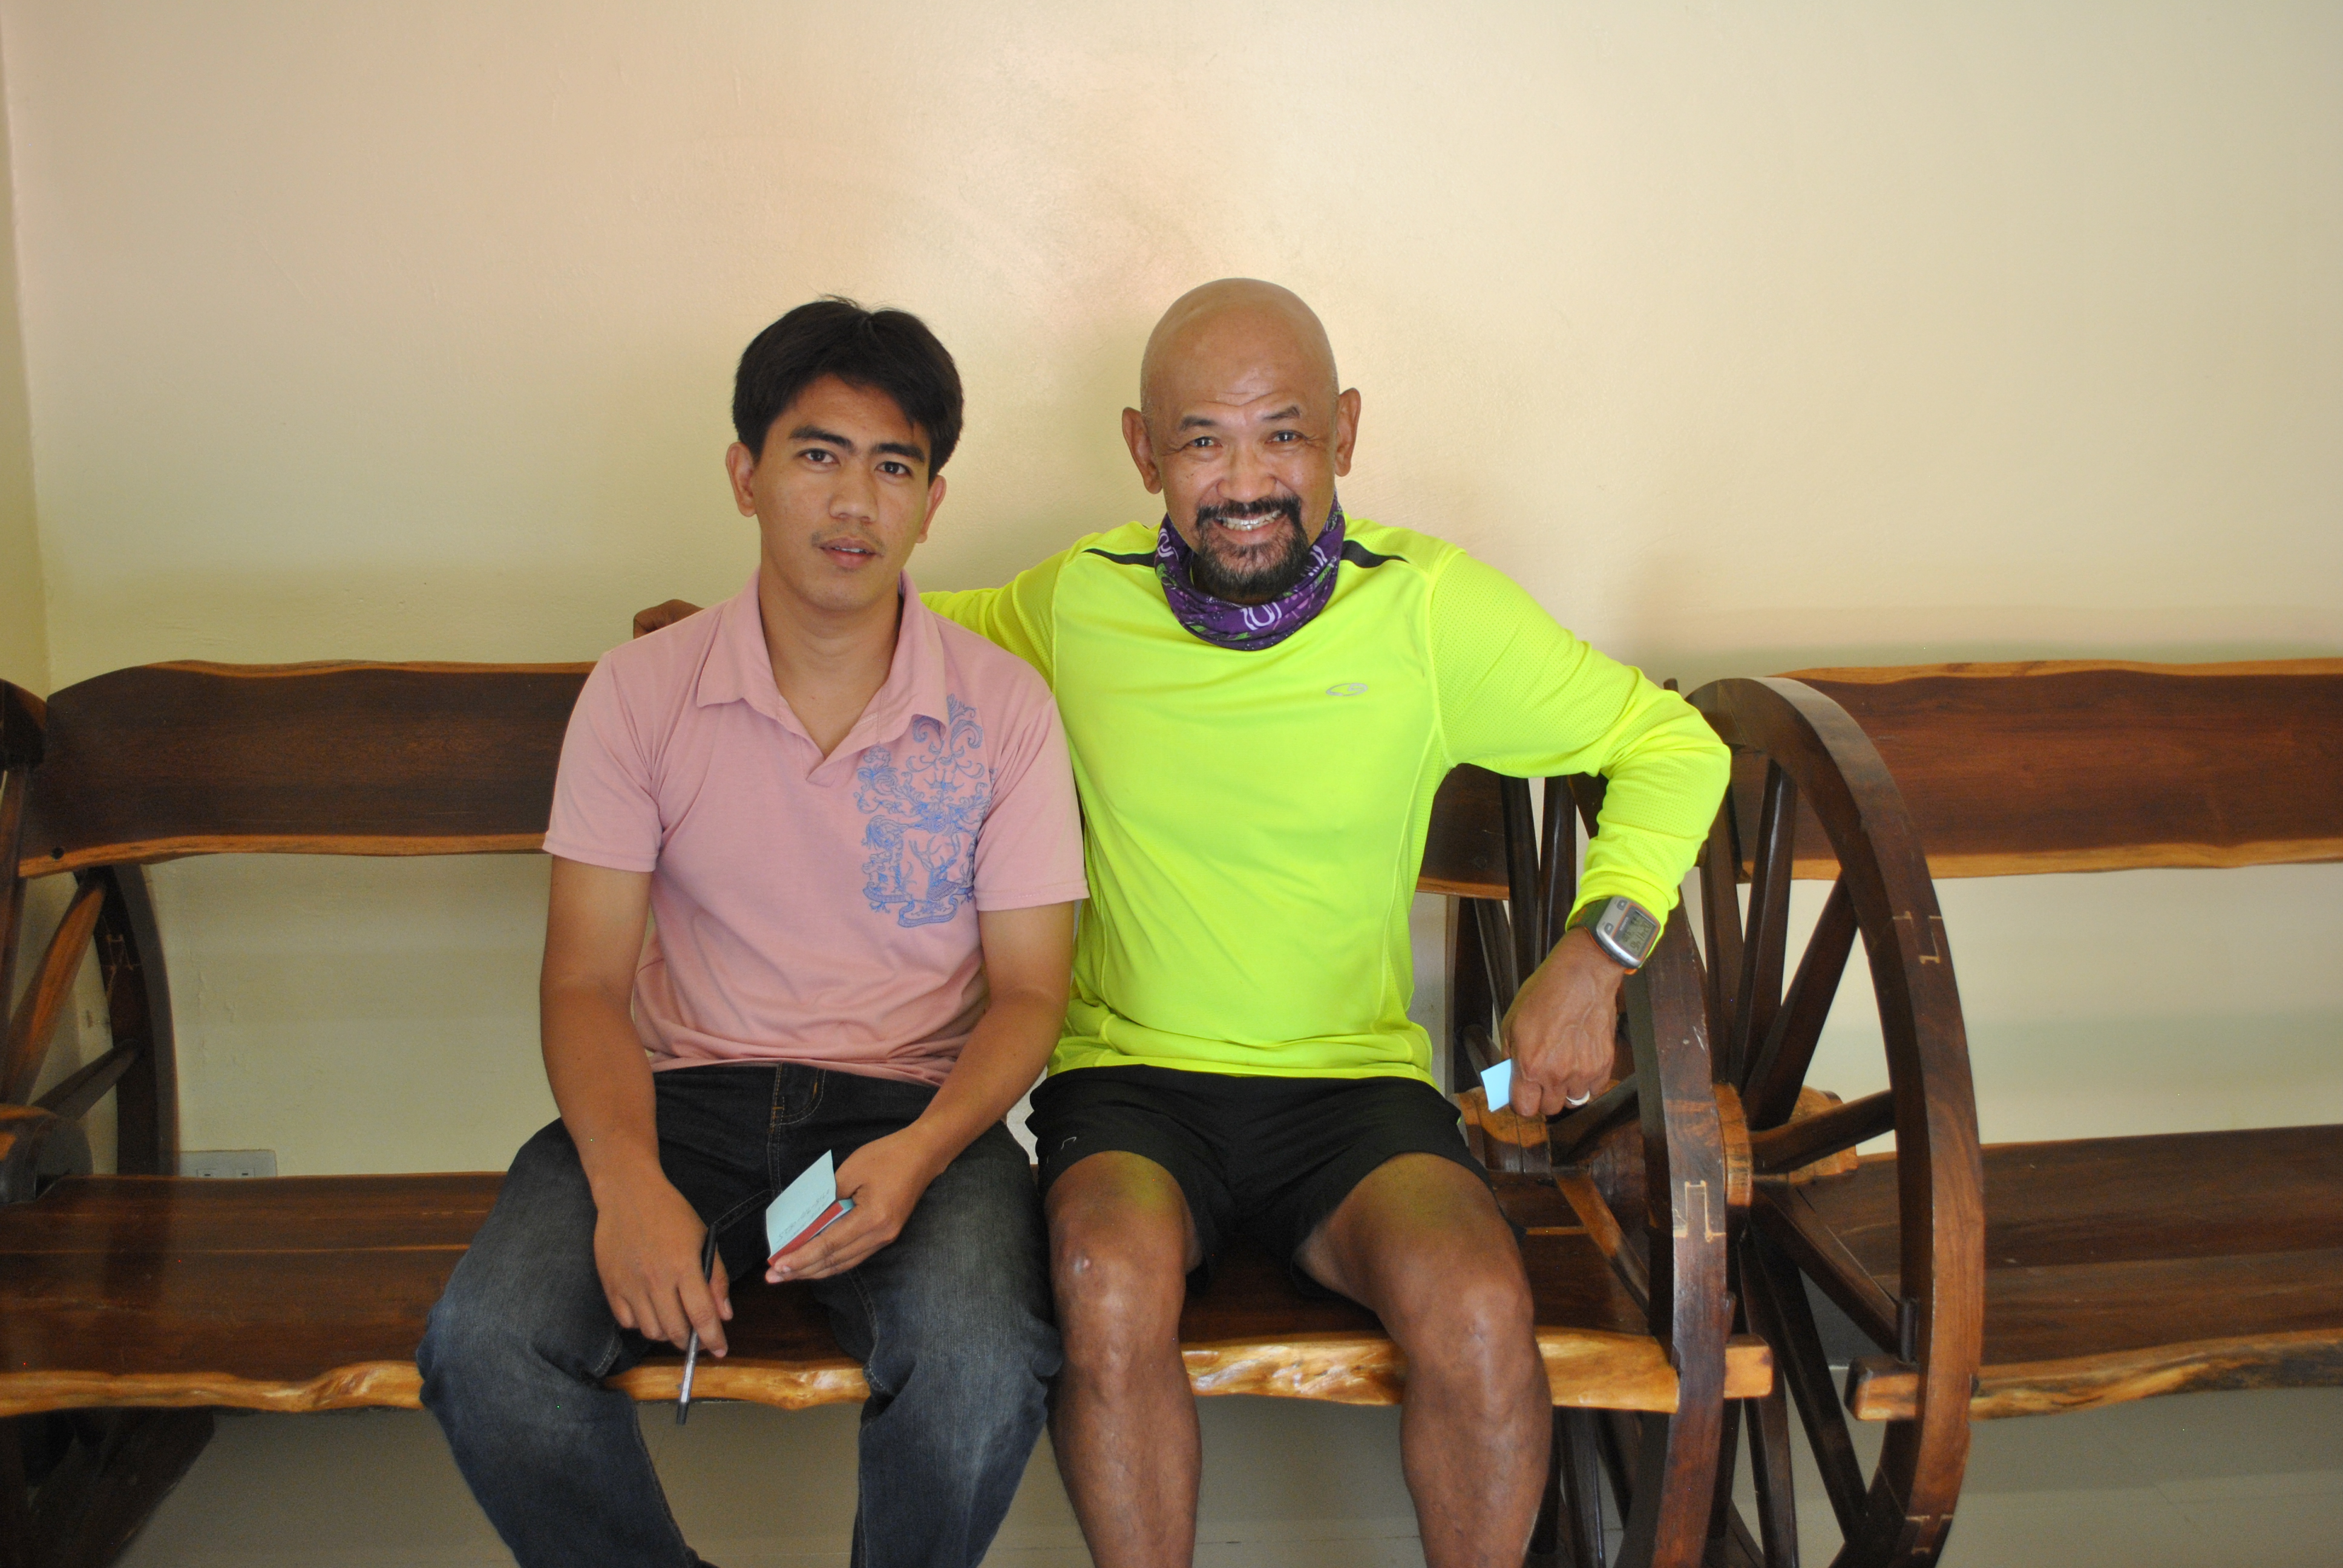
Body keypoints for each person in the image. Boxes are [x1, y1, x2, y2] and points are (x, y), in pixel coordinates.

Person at [638, 279, 1731, 1568]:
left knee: (1484, 1310)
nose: (1245, 480)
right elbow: (889, 633)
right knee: (1103, 1290)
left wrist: (1596, 958)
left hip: (1354, 1094)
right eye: (1204, 441)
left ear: (1346, 432)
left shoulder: (1433, 610)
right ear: (1142, 451)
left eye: (1284, 434)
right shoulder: (1073, 604)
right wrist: (708, 642)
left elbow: (1673, 744)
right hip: (1132, 1088)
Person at [418, 298, 1087, 1568]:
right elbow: (583, 981)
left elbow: (1029, 994)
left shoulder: (1004, 711)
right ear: (745, 475)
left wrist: (924, 1151)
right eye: (816, 455)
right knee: (487, 1346)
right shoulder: (640, 694)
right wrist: (628, 1183)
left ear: (932, 503)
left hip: (914, 1113)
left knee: (984, 1360)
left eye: (894, 467)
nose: (854, 502)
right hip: (679, 1102)